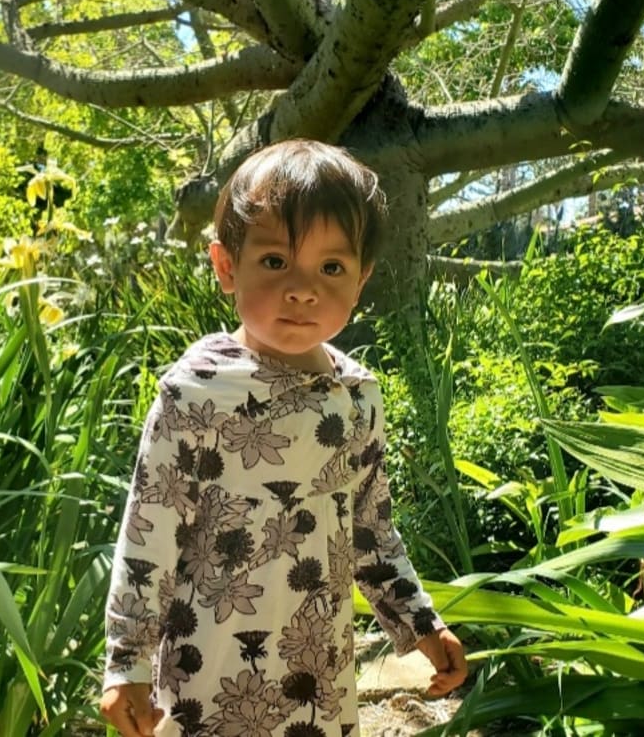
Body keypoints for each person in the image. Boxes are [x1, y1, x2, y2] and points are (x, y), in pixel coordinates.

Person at [101, 139, 467, 737]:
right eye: (275, 262)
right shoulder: (196, 394)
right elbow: (150, 534)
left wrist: (420, 623)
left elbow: (370, 529)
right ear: (227, 267)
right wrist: (126, 662)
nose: (302, 288)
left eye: (331, 268)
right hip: (208, 676)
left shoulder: (356, 397)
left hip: (316, 674)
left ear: (361, 279)